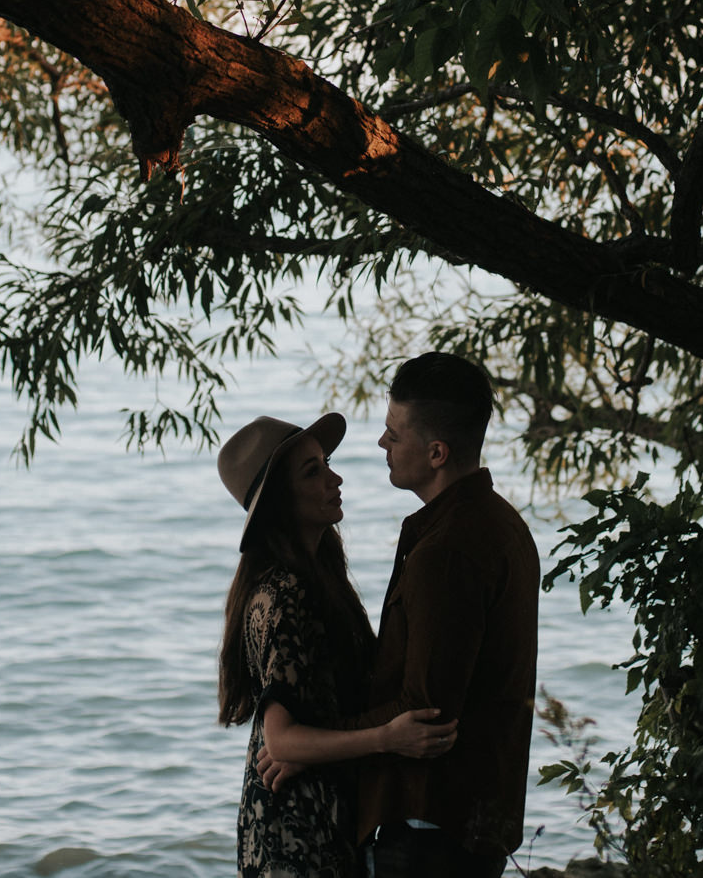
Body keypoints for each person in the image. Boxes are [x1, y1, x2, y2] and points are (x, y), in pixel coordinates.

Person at [263, 354, 541, 878]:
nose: (381, 444)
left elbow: (424, 714)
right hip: (469, 818)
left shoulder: (450, 549)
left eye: (393, 433)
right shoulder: (500, 523)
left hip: (429, 825)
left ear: (436, 452)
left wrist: (313, 746)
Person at [217, 412, 458, 878]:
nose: (335, 477)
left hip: (316, 818)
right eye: (313, 472)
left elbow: (310, 721)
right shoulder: (287, 593)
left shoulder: (318, 579)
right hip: (295, 834)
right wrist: (388, 739)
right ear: (280, 504)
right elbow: (281, 739)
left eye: (325, 461)